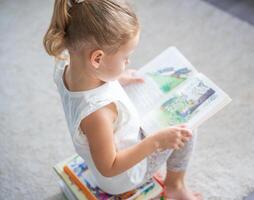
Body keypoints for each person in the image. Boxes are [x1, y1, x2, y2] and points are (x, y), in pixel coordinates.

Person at [43, 0, 202, 199]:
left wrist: (118, 77)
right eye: (125, 57)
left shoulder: (64, 64)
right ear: (97, 59)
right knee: (187, 125)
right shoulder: (98, 113)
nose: (128, 61)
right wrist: (156, 142)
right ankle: (175, 186)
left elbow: (87, 81)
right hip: (126, 174)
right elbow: (110, 167)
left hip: (116, 142)